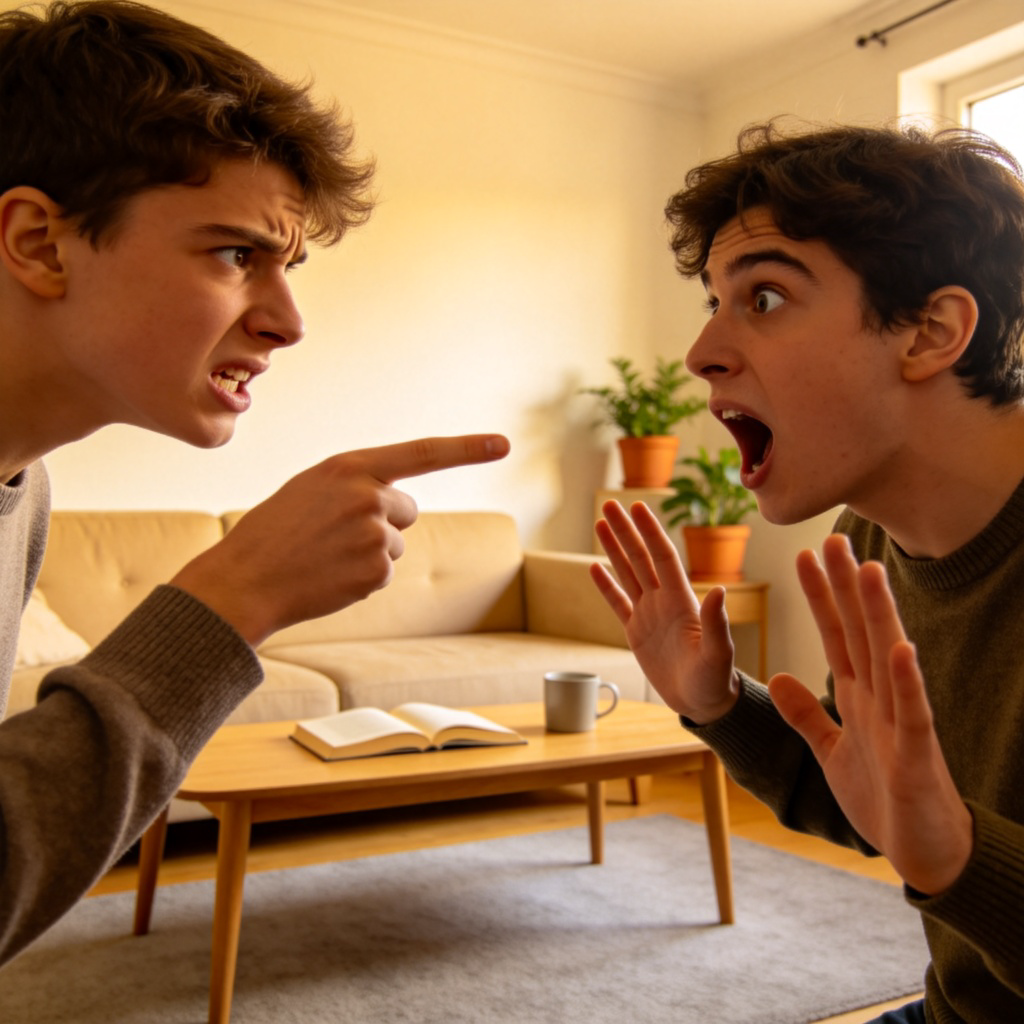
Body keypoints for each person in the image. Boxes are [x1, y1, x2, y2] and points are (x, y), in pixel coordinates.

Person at [0, 0, 509, 964]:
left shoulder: (24, 491)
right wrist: (229, 598)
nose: (287, 320)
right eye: (237, 253)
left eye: (289, 264)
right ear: (39, 242)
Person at [591, 121, 1024, 1022]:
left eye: (766, 299)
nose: (701, 353)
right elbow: (880, 802)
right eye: (714, 302)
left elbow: (938, 840)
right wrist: (717, 704)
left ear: (932, 331)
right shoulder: (870, 540)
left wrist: (957, 858)